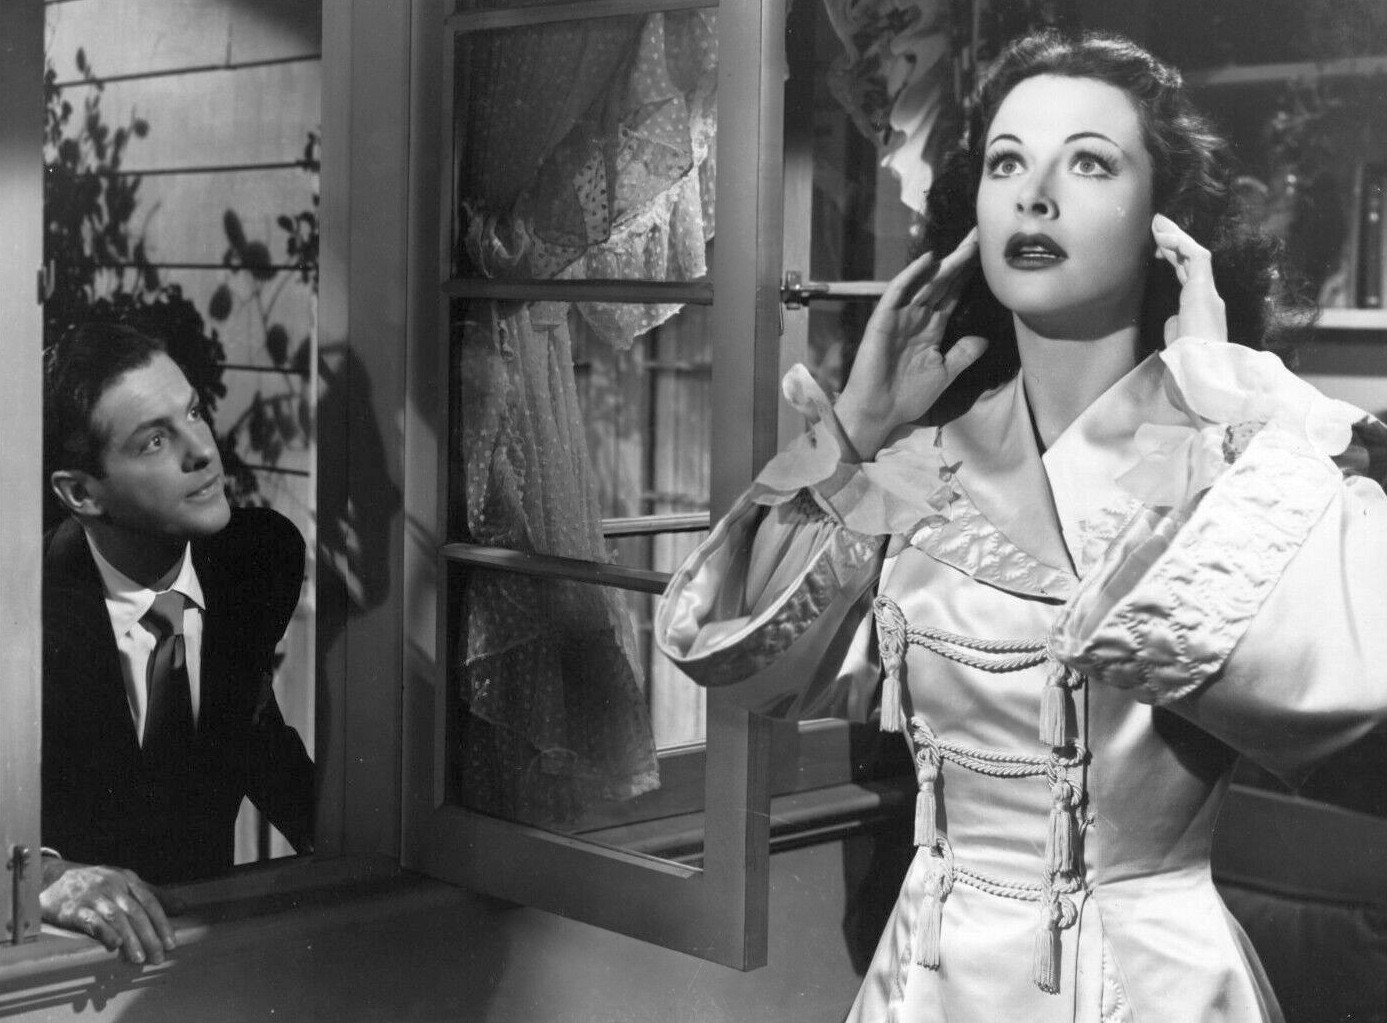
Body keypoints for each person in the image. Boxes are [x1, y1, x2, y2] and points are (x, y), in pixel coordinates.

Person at [655, 29, 1387, 1023]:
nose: (1033, 196)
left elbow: (1328, 699)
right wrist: (858, 424)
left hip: (1149, 982)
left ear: (1165, 222)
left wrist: (1213, 411)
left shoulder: (1253, 453)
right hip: (931, 977)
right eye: (1007, 162)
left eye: (1089, 163)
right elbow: (744, 658)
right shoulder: (918, 463)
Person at [40, 323, 316, 966]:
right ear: (81, 493)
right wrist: (44, 878)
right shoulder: (22, 617)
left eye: (193, 412)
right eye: (155, 440)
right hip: (79, 975)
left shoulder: (258, 561)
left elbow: (249, 725)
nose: (203, 451)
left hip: (211, 954)